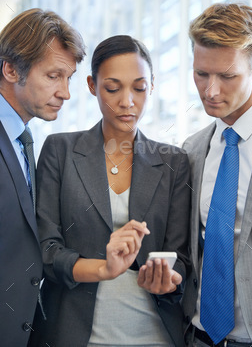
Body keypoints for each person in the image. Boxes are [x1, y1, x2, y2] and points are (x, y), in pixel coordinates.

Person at [28, 35, 191, 347]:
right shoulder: (59, 150)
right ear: (92, 85)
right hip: (73, 335)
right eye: (113, 88)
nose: (127, 101)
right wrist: (104, 268)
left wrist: (168, 280)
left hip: (155, 335)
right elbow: (46, 251)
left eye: (139, 88)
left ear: (152, 86)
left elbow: (180, 258)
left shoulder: (174, 162)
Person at [182, 3, 252, 347]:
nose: (211, 91)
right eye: (202, 74)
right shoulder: (192, 149)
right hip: (199, 337)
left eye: (227, 76)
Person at [0, 8, 85, 347]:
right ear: (10, 69)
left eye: (69, 78)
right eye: (53, 76)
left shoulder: (24, 141)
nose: (65, 92)